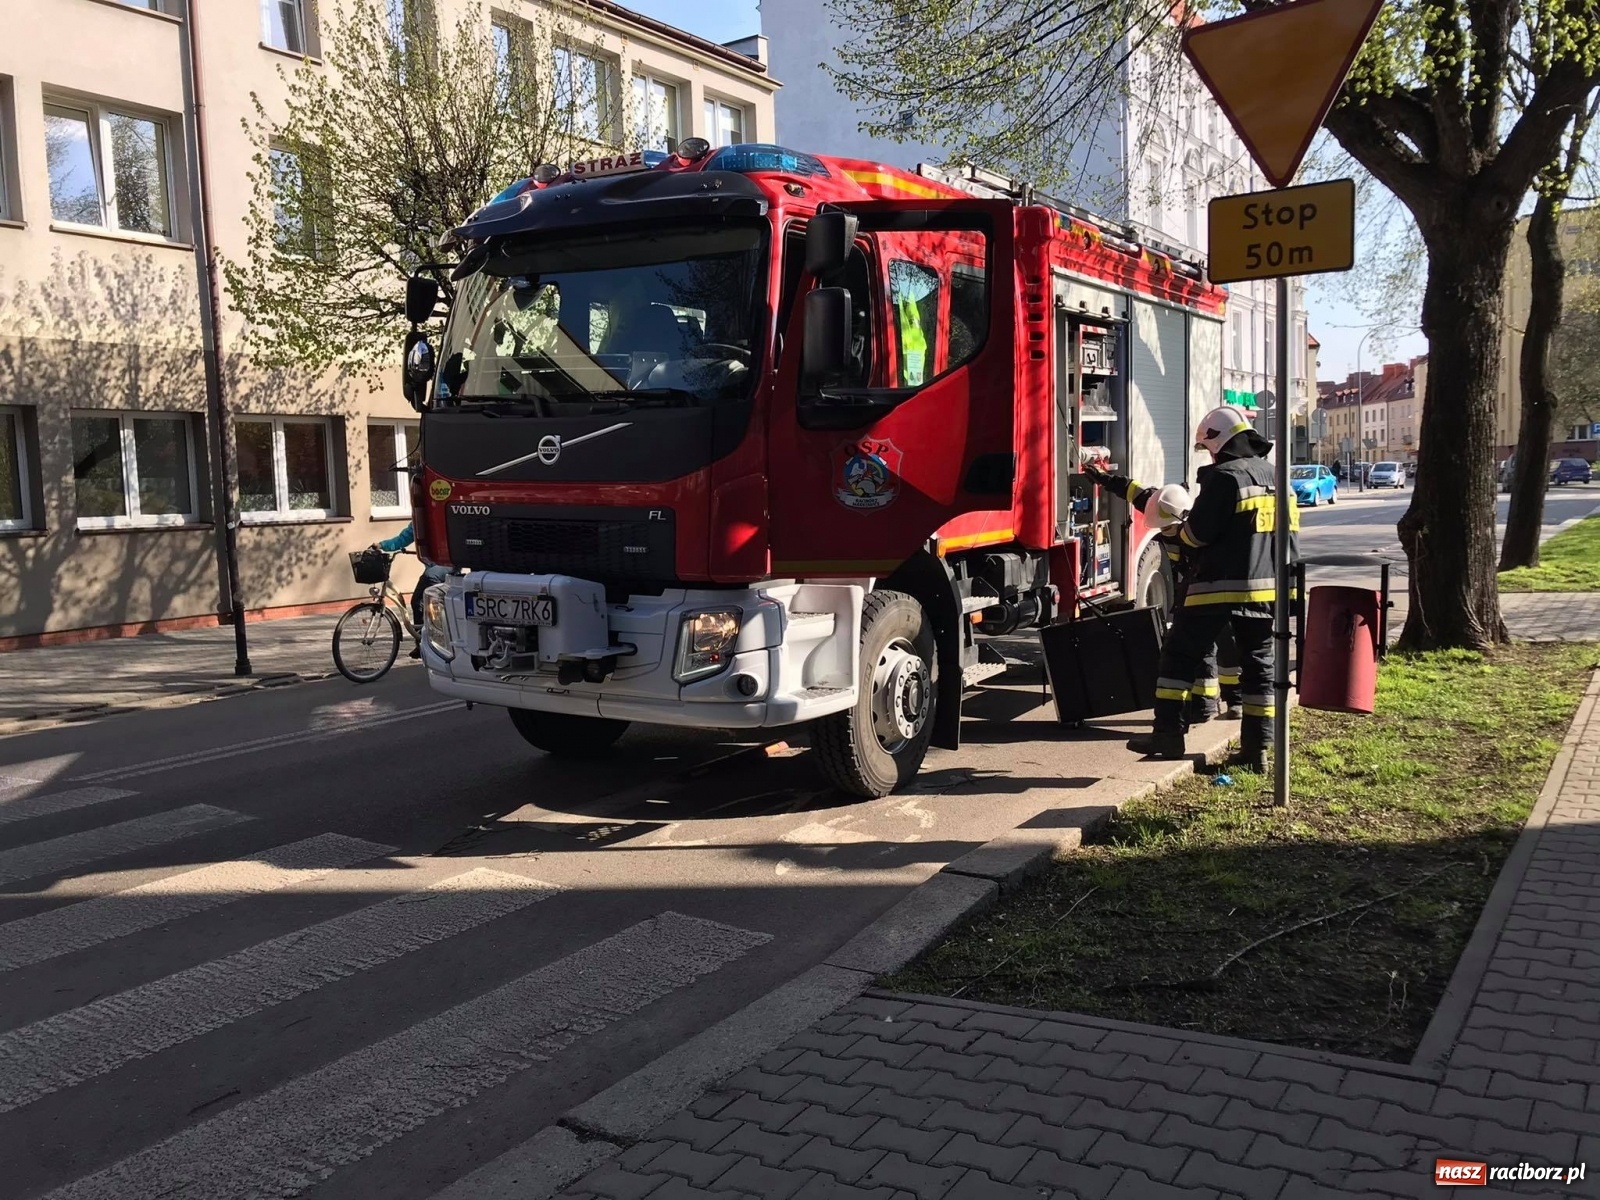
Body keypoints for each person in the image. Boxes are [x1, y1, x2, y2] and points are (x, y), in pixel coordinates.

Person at [1128, 405, 1298, 772]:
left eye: (1208, 447)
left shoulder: (1224, 478)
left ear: (1219, 442)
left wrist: (1180, 532)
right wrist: (1291, 596)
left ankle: (1167, 736)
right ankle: (1258, 751)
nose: (1209, 454)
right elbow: (1290, 542)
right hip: (1266, 592)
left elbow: (1196, 534)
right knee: (1259, 668)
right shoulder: (1278, 478)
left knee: (1178, 658)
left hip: (1216, 588)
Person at [1082, 468, 1238, 724]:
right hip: (1189, 592)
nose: (1164, 533)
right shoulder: (1165, 507)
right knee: (1201, 649)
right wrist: (1105, 479)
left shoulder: (1201, 528)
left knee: (1225, 645)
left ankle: (1235, 701)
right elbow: (1137, 493)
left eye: (1168, 529)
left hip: (1210, 590)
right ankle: (1204, 705)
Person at [373, 524, 449, 658]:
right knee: (419, 603)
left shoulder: (438, 516)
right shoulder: (418, 519)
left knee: (425, 601)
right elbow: (402, 539)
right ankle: (422, 643)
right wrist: (381, 545)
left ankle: (436, 640)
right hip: (432, 569)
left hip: (447, 565)